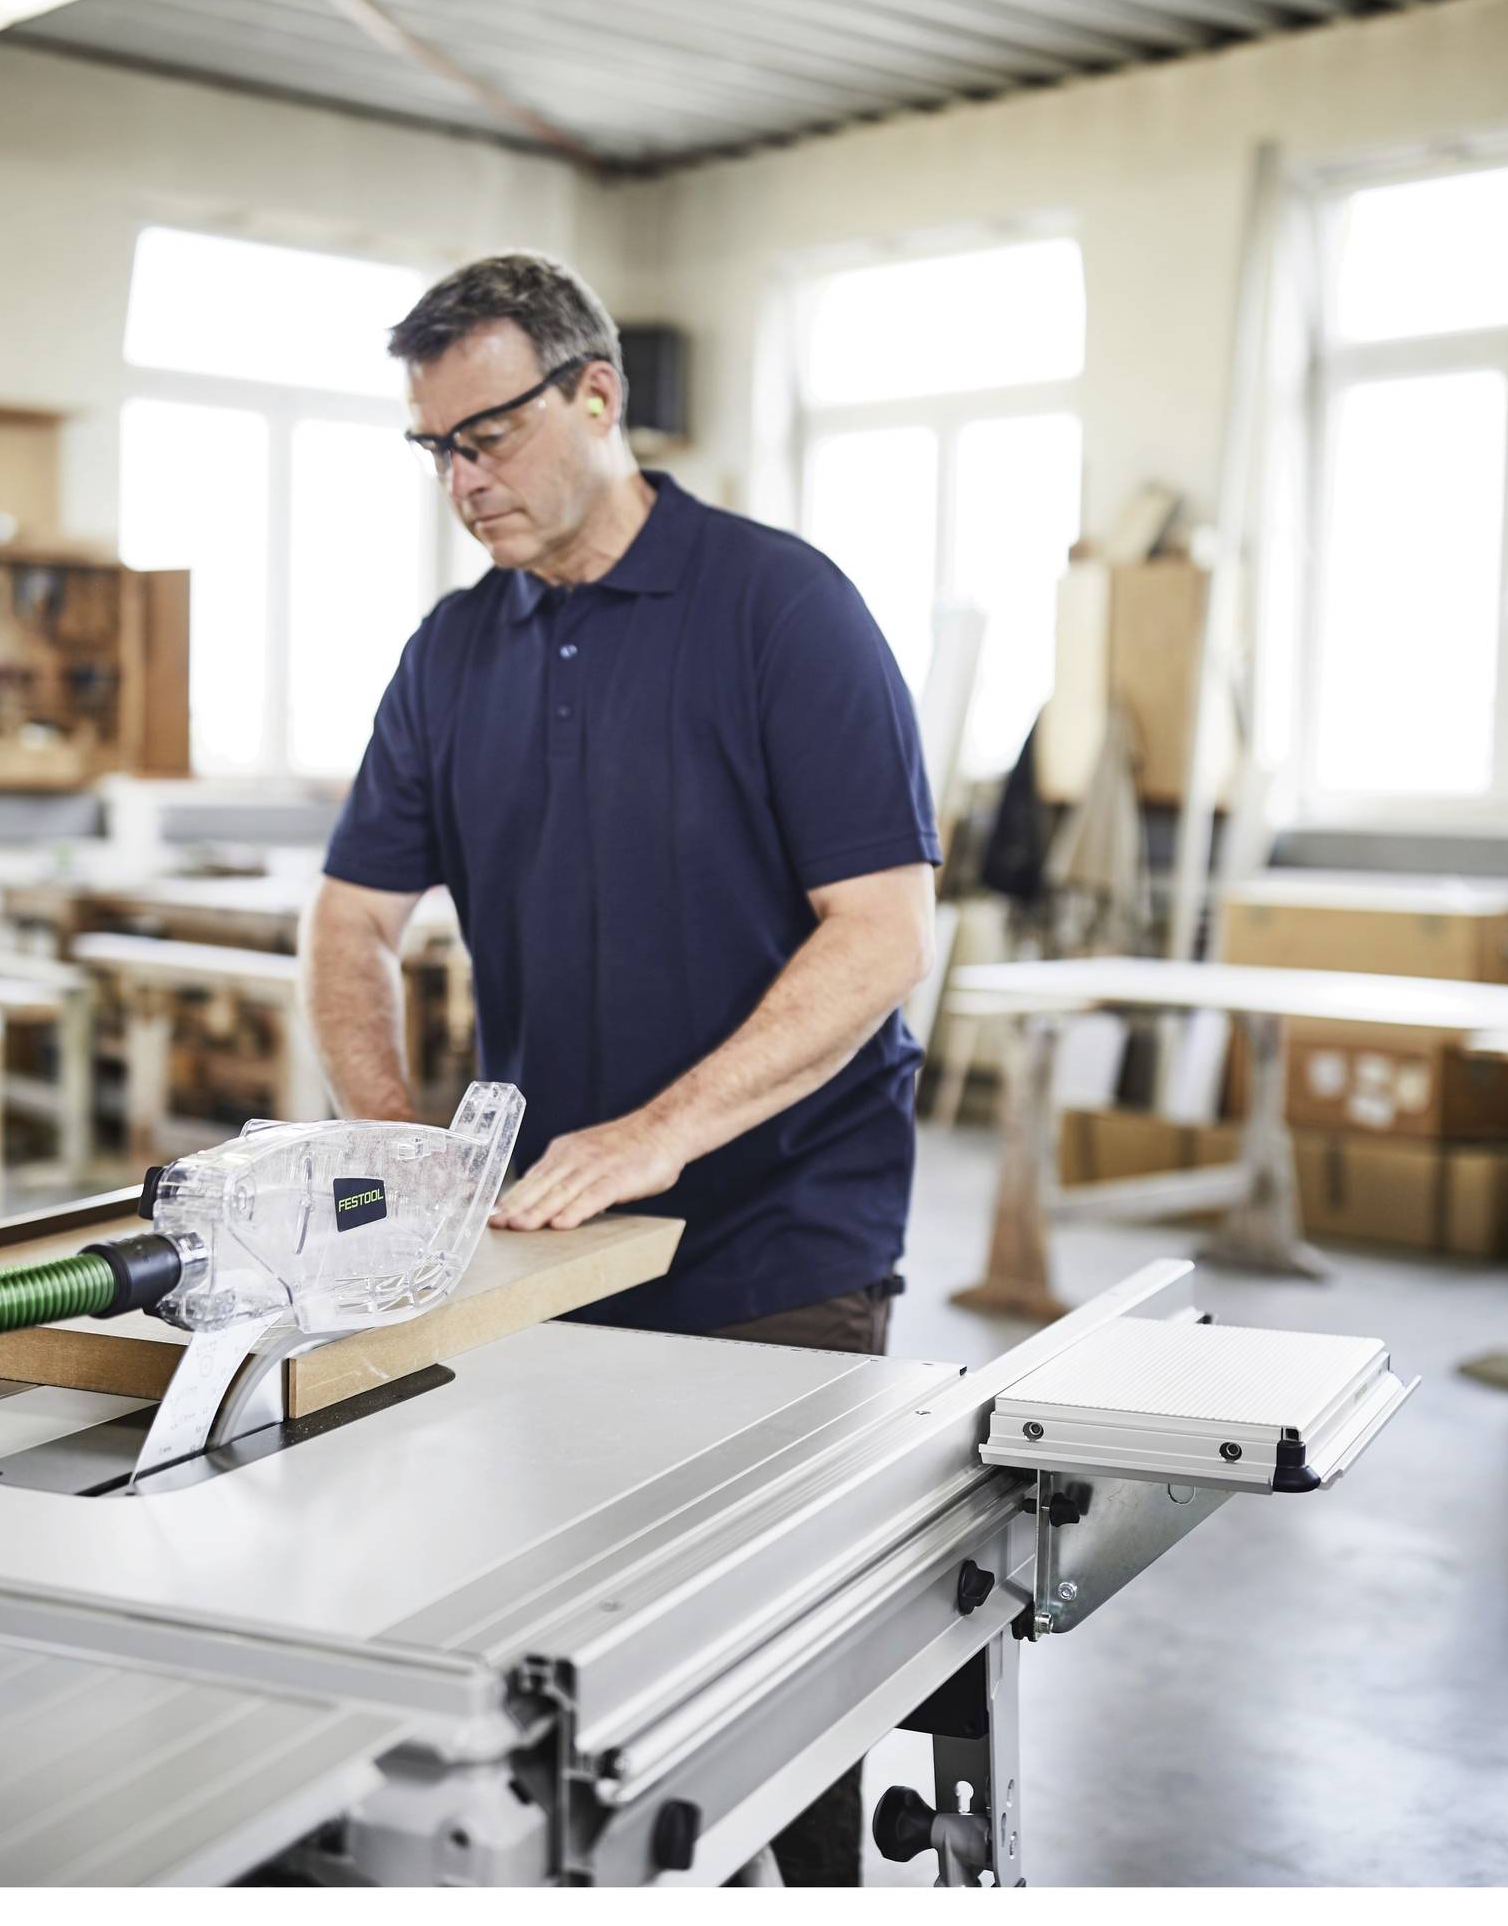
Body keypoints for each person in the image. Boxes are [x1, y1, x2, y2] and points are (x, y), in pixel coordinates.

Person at [303, 251, 939, 1883]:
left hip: (781, 1231)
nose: (463, 482)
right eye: (436, 449)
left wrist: (666, 1130)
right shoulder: (453, 658)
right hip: (548, 1243)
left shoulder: (781, 610)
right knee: (567, 1667)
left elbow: (877, 935)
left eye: (490, 437)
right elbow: (351, 923)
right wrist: (396, 1143)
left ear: (598, 396)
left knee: (778, 1680)